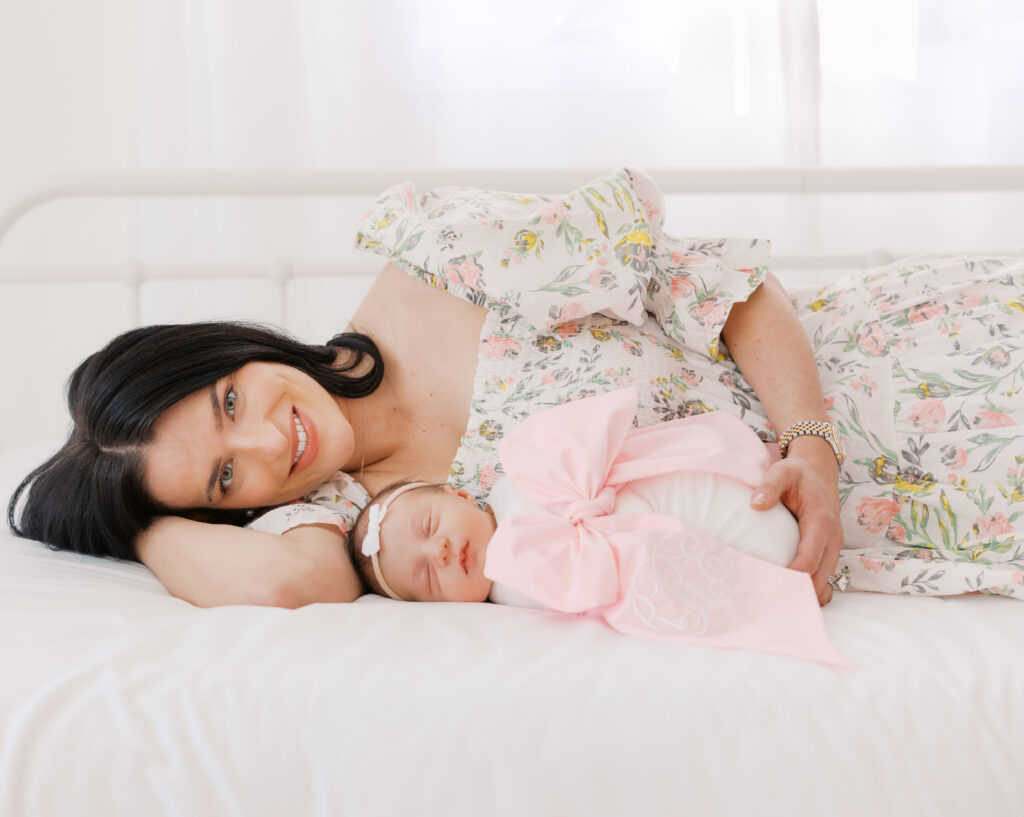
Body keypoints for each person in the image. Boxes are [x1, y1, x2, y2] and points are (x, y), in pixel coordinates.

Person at [7, 168, 1024, 607]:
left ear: (230, 348)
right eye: (227, 479)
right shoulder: (349, 518)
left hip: (894, 370)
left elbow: (726, 287)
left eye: (230, 403)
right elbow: (277, 588)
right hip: (924, 514)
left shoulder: (433, 265)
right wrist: (134, 511)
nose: (274, 445)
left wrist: (809, 440)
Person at [344, 389, 850, 666]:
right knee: (704, 558)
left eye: (431, 525)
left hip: (671, 484)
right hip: (666, 545)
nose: (441, 552)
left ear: (458, 494)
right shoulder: (512, 590)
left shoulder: (517, 474)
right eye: (428, 579)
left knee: (686, 487)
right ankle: (769, 573)